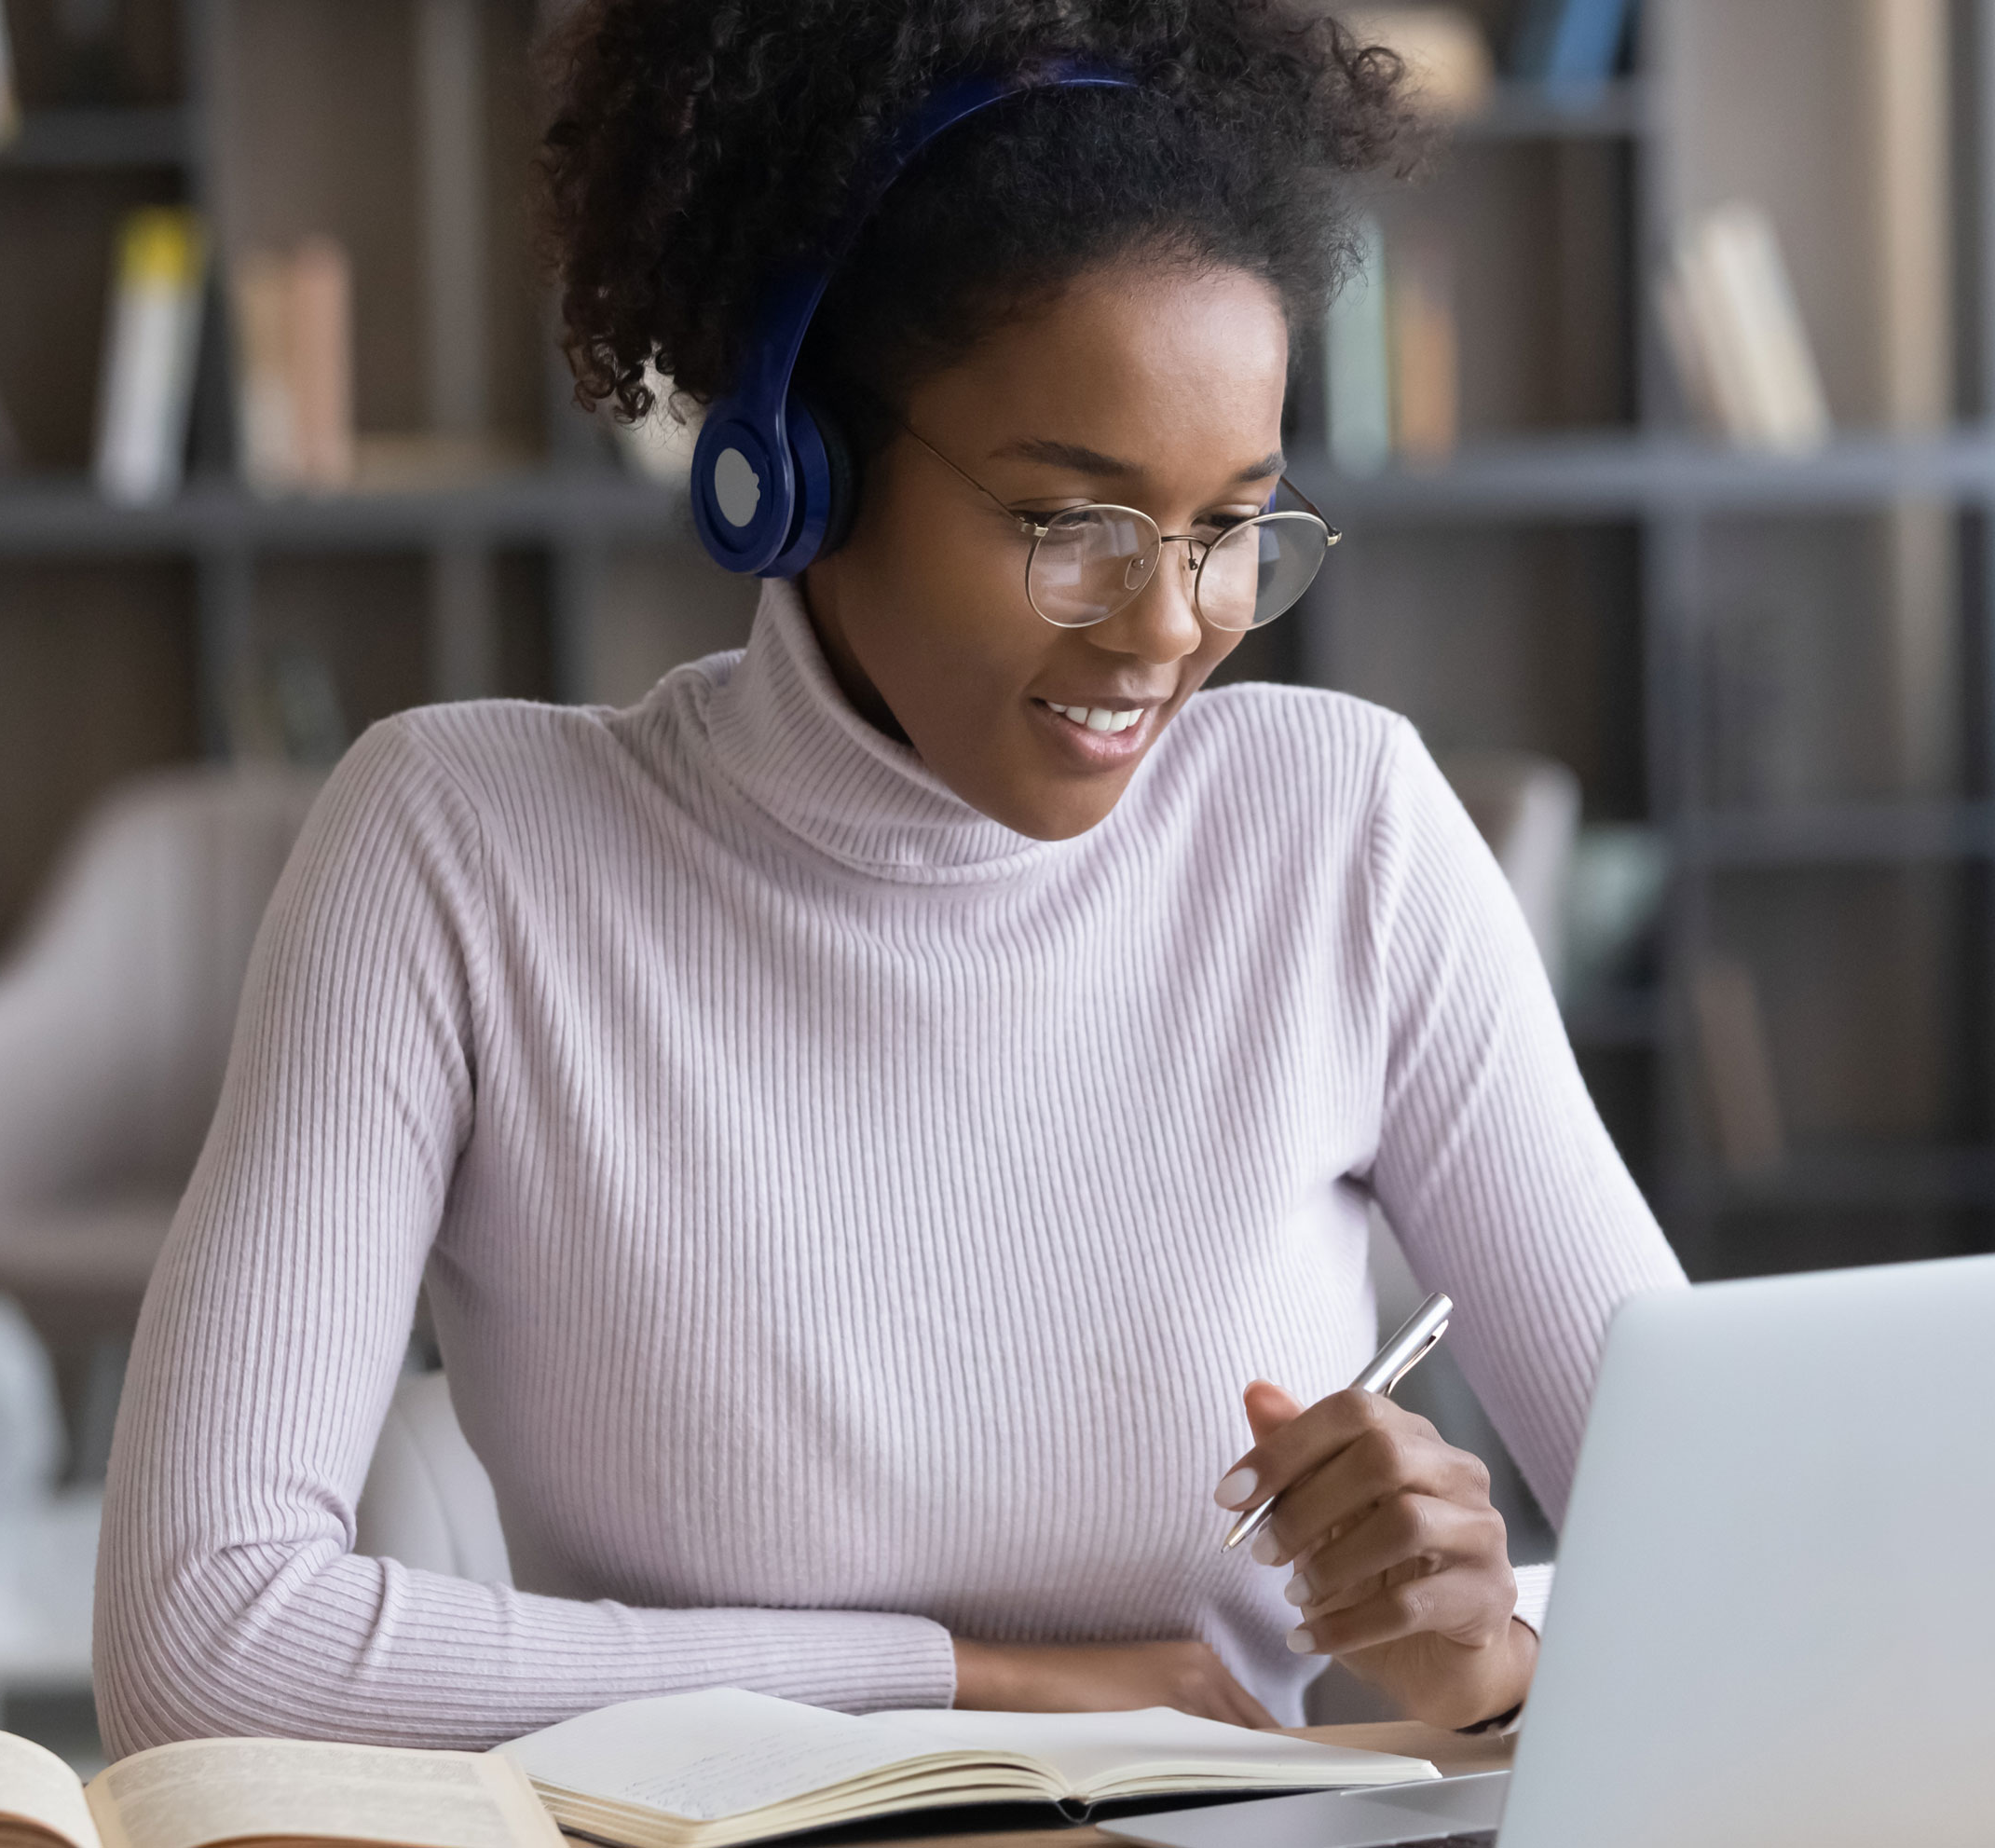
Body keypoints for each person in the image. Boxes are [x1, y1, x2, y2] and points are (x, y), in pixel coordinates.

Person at [92, 0, 1682, 1757]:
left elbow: (1731, 1560)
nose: (1169, 627)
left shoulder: (1343, 831)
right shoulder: (461, 851)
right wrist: (966, 1684)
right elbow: (203, 1635)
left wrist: (1494, 1662)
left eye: (1231, 525)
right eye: (1065, 521)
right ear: (795, 472)